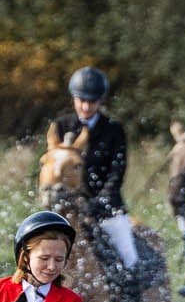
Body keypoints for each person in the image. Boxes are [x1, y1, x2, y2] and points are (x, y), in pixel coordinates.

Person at [57, 65, 149, 274]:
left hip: (106, 209)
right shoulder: (61, 126)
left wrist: (99, 202)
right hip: (67, 209)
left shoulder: (113, 129)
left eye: (91, 101)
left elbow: (117, 172)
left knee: (129, 258)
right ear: (73, 98)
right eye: (81, 100)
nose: (86, 106)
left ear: (100, 101)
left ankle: (132, 301)